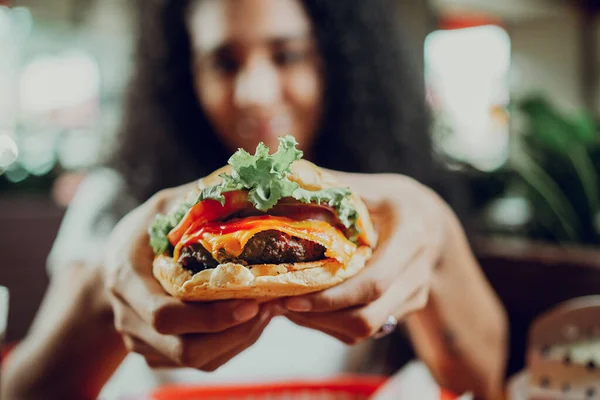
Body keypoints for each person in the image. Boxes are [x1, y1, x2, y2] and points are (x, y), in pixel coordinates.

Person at [1, 0, 508, 399]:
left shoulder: (398, 206)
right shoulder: (116, 201)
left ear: (342, 64)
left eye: (287, 55)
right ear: (185, 78)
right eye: (223, 62)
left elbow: (483, 385)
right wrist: (99, 294)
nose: (255, 93)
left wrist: (439, 236)